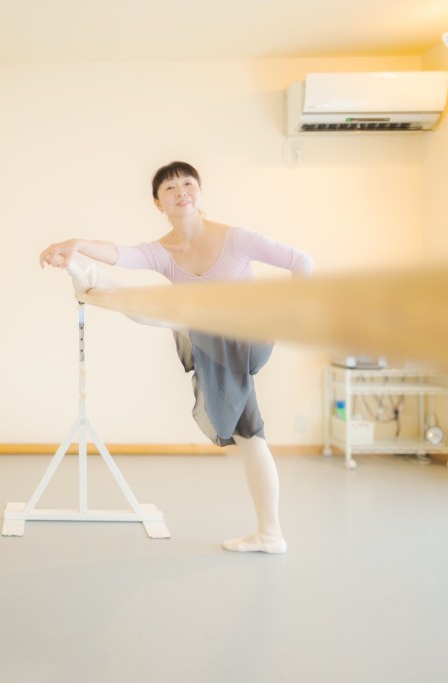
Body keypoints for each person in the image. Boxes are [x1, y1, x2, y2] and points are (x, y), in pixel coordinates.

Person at [39, 161, 312, 554]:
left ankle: (92, 281)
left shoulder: (235, 239)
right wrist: (78, 243)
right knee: (250, 435)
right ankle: (270, 534)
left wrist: (295, 314)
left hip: (249, 336)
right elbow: (122, 253)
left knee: (164, 308)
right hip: (210, 341)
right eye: (169, 188)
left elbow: (301, 261)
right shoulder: (163, 252)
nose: (181, 191)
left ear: (199, 192)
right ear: (158, 203)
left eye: (188, 183)